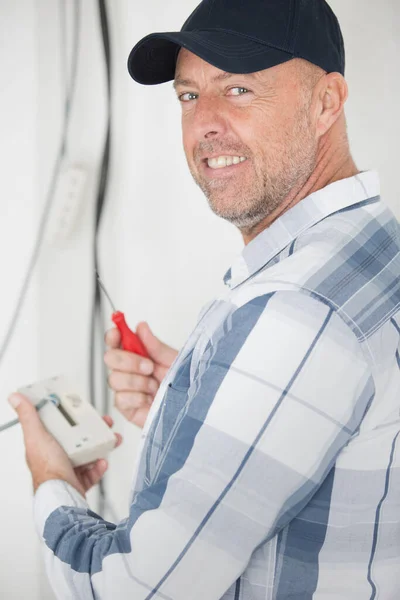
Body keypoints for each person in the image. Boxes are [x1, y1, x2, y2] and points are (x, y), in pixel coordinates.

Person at [9, 0, 400, 597]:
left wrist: (50, 482)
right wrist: (193, 395)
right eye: (189, 96)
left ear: (326, 101)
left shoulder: (295, 313)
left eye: (238, 89)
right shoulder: (372, 247)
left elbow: (134, 590)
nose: (204, 125)